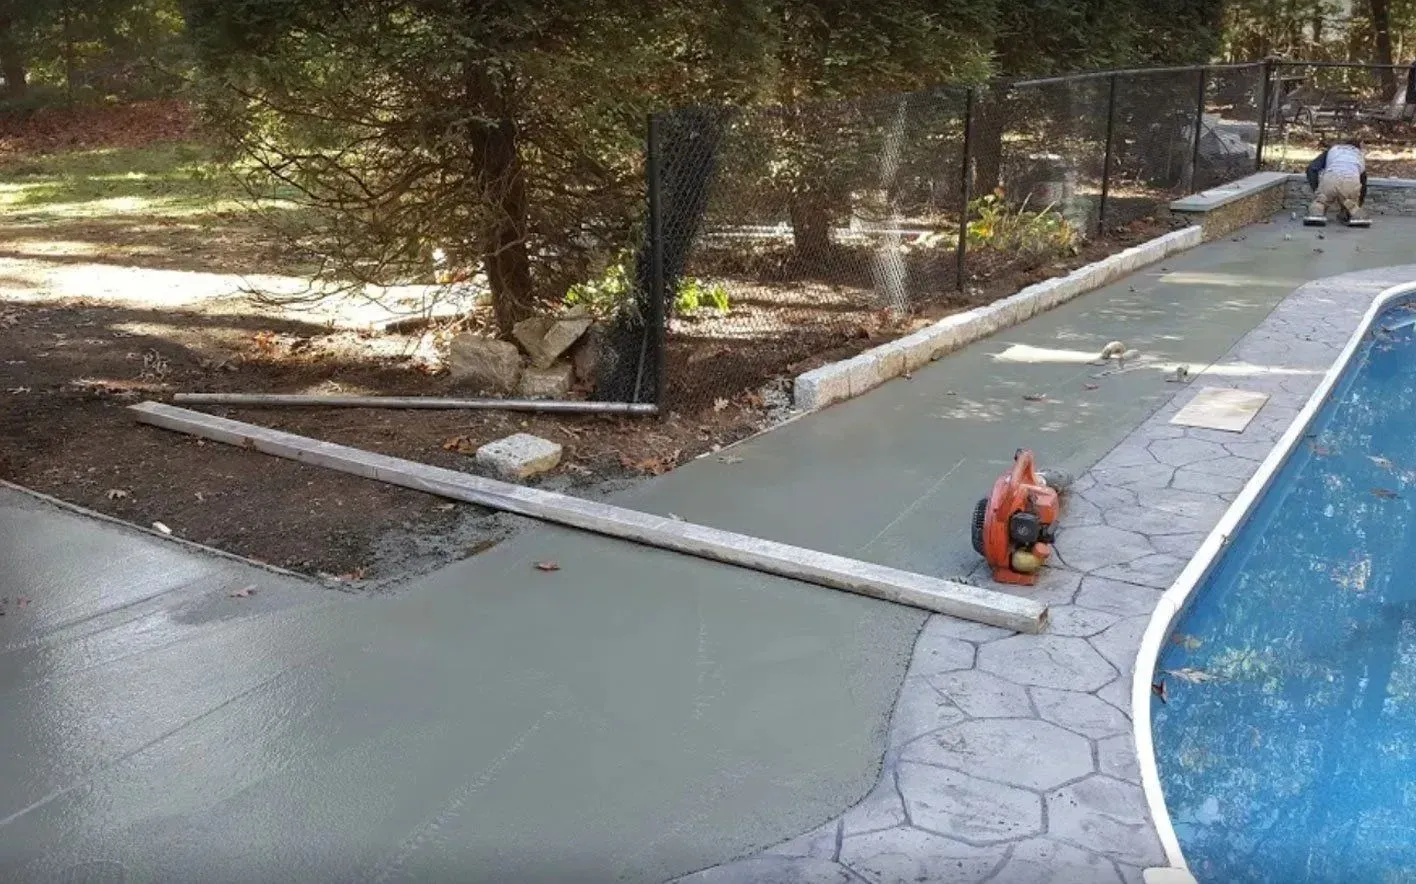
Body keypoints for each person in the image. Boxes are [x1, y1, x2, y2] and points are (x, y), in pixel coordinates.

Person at [1305, 138, 1369, 226]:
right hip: (1351, 181)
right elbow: (1363, 183)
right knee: (1351, 205)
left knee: (1321, 202)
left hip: (1331, 178)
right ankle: (1356, 215)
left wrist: (1317, 190)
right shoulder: (1358, 155)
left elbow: (1311, 168)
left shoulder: (1333, 150)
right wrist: (1359, 203)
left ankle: (1316, 214)